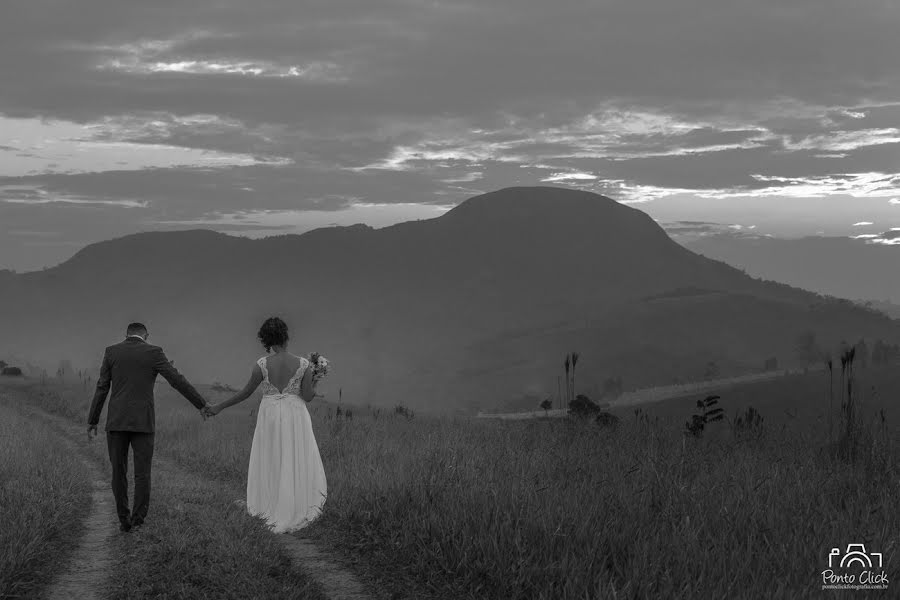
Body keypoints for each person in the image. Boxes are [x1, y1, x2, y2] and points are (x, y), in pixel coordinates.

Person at [87, 322, 212, 532]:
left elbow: (102, 387)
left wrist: (93, 420)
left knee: (118, 470)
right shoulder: (154, 352)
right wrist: (201, 403)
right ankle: (138, 519)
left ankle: (123, 519)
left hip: (116, 421)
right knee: (142, 472)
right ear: (147, 335)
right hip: (143, 422)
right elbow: (176, 380)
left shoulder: (112, 352)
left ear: (126, 334)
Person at [207, 317, 327, 533]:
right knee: (294, 455)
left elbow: (244, 393)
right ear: (286, 336)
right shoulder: (304, 364)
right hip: (295, 414)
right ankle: (294, 505)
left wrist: (219, 407)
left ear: (266, 340)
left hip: (270, 414)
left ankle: (269, 504)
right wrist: (317, 377)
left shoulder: (261, 365)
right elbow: (308, 396)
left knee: (271, 455)